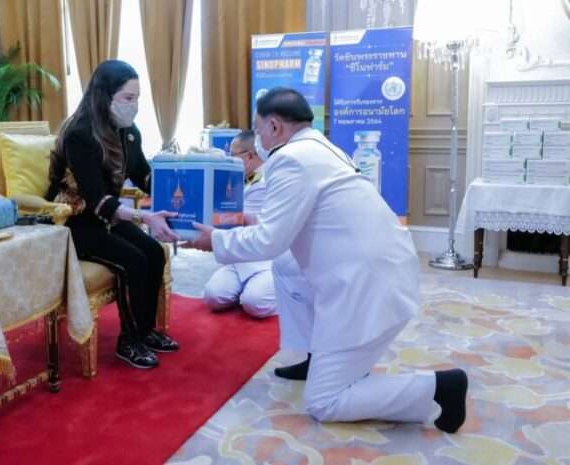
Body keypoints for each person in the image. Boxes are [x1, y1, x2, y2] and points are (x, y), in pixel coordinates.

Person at [185, 87, 468, 433]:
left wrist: (213, 240)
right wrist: (247, 221)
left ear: (274, 126)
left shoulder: (290, 159)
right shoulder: (320, 147)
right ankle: (315, 357)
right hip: (379, 262)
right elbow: (301, 219)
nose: (257, 140)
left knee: (324, 402)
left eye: (258, 130)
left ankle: (439, 387)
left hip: (366, 281)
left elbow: (269, 241)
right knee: (286, 267)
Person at [47, 60, 179, 370]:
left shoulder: (128, 133)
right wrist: (144, 217)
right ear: (104, 96)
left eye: (137, 98)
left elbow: (144, 175)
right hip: (73, 222)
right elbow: (97, 198)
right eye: (128, 98)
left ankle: (145, 331)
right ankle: (129, 341)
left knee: (152, 252)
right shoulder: (80, 134)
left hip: (105, 218)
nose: (134, 106)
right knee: (133, 261)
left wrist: (181, 178)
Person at [202, 130, 277, 318]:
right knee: (213, 297)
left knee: (255, 304)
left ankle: (284, 295)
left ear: (249, 155)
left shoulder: (270, 180)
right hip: (240, 256)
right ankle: (246, 289)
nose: (230, 159)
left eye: (233, 155)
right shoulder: (240, 178)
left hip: (266, 258)